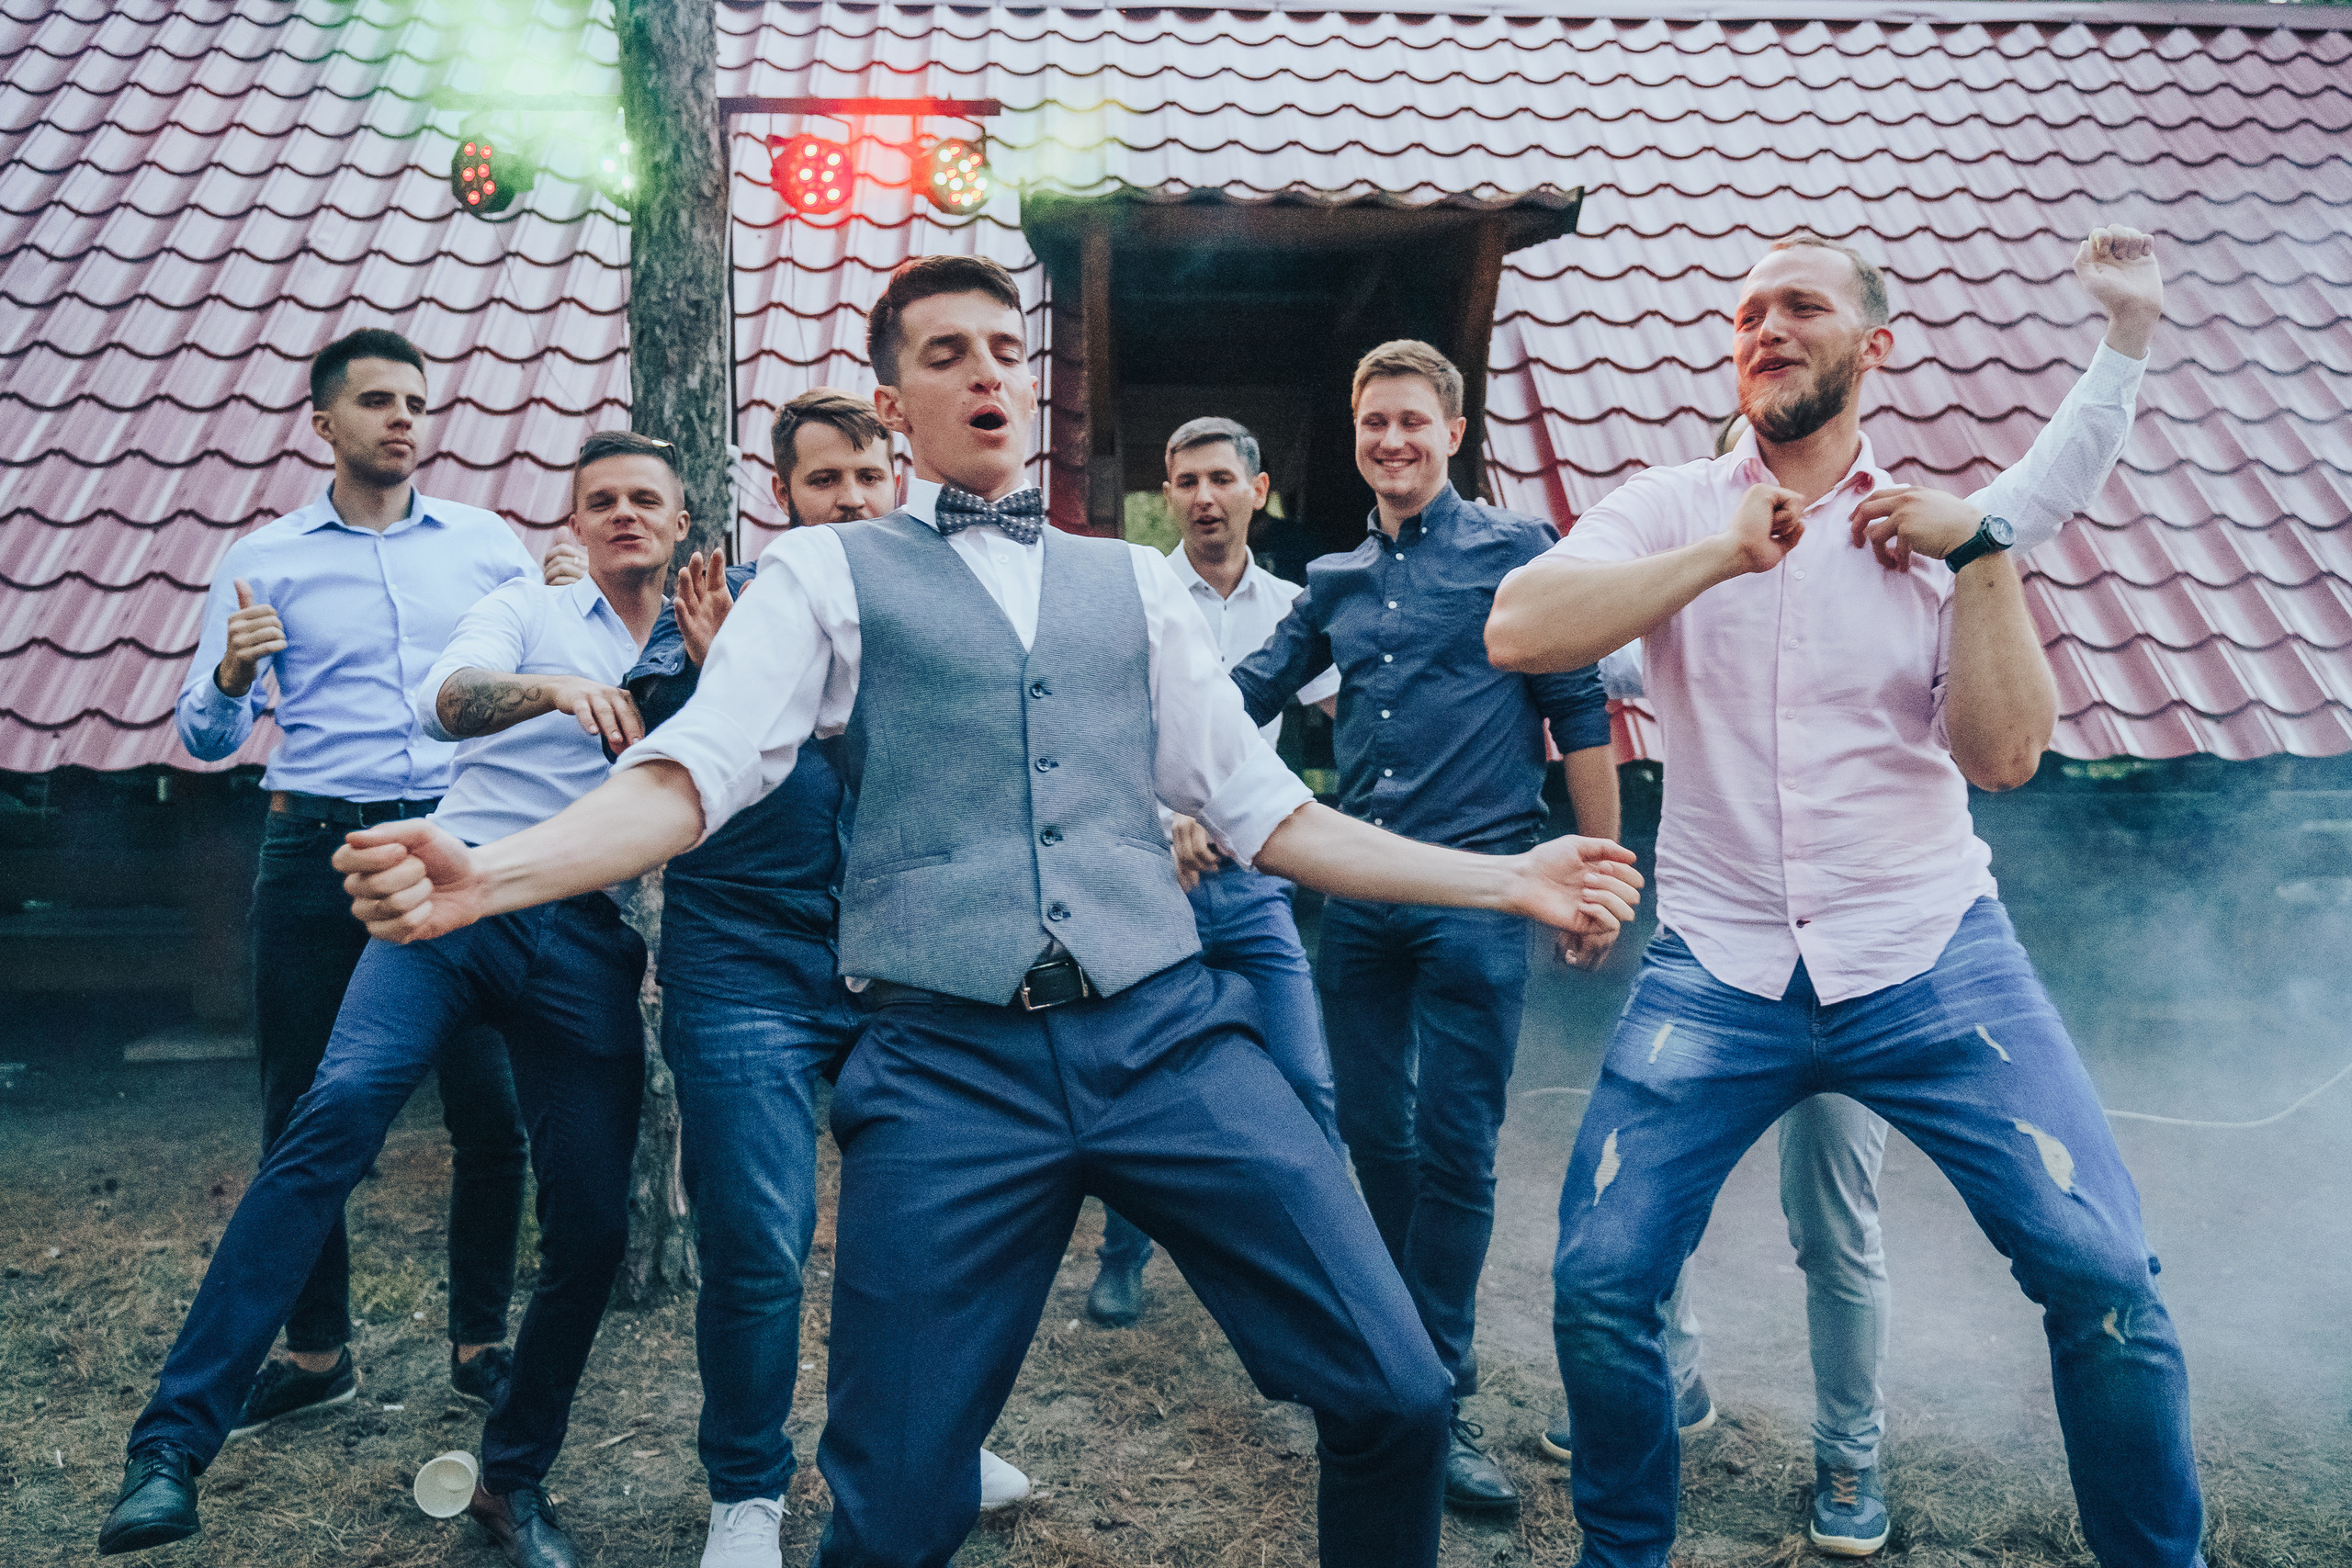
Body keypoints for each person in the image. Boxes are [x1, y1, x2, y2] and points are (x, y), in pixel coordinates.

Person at [320, 254, 1645, 1568]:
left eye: (1005, 350)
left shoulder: (1134, 585)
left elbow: (1273, 816)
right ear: (895, 407)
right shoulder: (824, 573)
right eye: (946, 354)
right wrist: (490, 874)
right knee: (893, 1509)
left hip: (1166, 1038)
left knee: (1398, 1390)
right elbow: (693, 772)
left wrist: (1509, 875)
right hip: (946, 1066)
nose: (986, 373)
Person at [1487, 228, 2201, 1567]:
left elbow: (2003, 754)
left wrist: (1983, 545)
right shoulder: (1671, 506)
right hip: (1719, 970)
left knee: (2105, 1278)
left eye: (1800, 305)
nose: (1764, 326)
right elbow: (1520, 626)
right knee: (1598, 1282)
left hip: (1931, 956)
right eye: (1747, 312)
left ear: (1872, 345)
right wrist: (1718, 558)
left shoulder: (1934, 530)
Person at [102, 432, 692, 1566]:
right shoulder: (526, 607)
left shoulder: (704, 635)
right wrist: (554, 689)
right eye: (601, 500)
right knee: (334, 1115)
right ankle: (169, 1450)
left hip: (585, 937)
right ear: (574, 524)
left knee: (592, 1225)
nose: (624, 514)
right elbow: (442, 703)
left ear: (678, 523)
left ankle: (511, 1485)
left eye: (644, 500)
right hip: (451, 905)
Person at [626, 389, 1028, 1568]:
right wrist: (723, 679)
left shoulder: (937, 601)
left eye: (867, 476)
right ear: (781, 493)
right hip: (744, 967)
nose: (850, 500)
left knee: (933, 1239)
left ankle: (933, 1448)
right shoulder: (732, 596)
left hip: (901, 959)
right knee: (760, 1242)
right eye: (823, 481)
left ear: (897, 477)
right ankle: (745, 1492)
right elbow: (655, 745)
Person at [169, 327, 586, 1444]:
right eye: (376, 401)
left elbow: (553, 669)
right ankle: (317, 1356)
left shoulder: (489, 547)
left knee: (489, 1111)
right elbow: (205, 738)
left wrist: (567, 600)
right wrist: (233, 672)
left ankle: (479, 1348)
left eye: (414, 400)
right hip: (316, 850)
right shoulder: (264, 560)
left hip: (458, 843)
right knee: (304, 1112)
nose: (402, 418)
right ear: (324, 423)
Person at [1229, 341, 1618, 1515]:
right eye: (1373, 423)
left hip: (1483, 894)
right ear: (1356, 436)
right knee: (1370, 1134)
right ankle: (1401, 1346)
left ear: (1452, 433)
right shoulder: (1332, 581)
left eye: (1411, 421)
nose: (1390, 441)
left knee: (1455, 1145)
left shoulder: (1519, 552)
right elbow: (1236, 699)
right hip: (1362, 895)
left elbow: (1578, 713)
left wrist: (1599, 873)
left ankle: (1437, 1395)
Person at [1084, 414, 1342, 1329]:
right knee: (1144, 1081)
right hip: (1153, 884)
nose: (1204, 498)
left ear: (1256, 492)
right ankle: (1124, 1255)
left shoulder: (1296, 607)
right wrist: (1167, 821)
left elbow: (1353, 716)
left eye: (1221, 480)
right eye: (1186, 482)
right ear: (1166, 494)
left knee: (1306, 1079)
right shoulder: (1132, 595)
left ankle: (1331, 1267)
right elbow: (1103, 735)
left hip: (1256, 882)